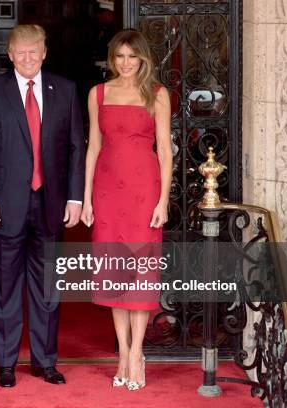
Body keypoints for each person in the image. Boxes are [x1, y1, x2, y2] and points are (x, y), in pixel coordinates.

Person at [0, 24, 86, 388]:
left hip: (50, 203)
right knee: (3, 287)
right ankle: (5, 363)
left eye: (35, 51)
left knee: (48, 287)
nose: (28, 58)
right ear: (10, 54)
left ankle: (44, 361)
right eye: (22, 51)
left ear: (45, 52)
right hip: (2, 206)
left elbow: (76, 147)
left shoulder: (65, 90)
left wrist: (75, 196)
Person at [80, 29, 172, 391]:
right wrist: (86, 198)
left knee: (142, 273)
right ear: (112, 58)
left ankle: (137, 354)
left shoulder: (158, 95)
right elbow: (93, 147)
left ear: (143, 58)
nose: (126, 63)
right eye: (120, 56)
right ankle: (122, 352)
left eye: (132, 56)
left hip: (144, 190)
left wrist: (163, 199)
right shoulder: (97, 94)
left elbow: (165, 150)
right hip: (107, 191)